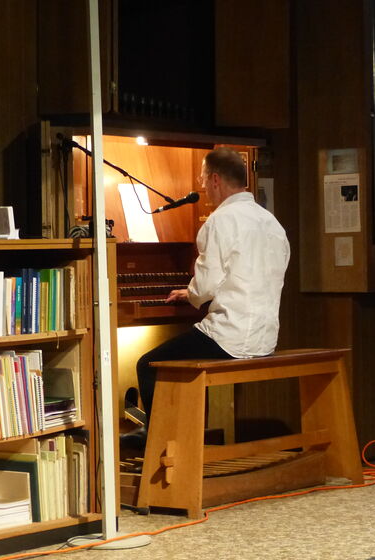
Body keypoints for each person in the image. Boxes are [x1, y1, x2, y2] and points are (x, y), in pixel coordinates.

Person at [120, 147, 290, 449]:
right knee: (174, 354)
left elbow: (206, 284)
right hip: (265, 336)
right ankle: (181, 439)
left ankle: (161, 442)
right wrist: (197, 292)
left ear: (214, 180)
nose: (202, 187)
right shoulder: (270, 222)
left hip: (231, 336)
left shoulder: (220, 220)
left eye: (202, 179)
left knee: (148, 363)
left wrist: (193, 294)